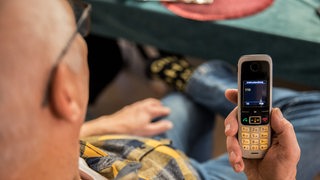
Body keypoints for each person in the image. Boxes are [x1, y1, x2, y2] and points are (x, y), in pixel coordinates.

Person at [0, 0, 317, 180]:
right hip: (174, 170)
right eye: (79, 25)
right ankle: (195, 77)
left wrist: (96, 126)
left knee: (184, 104)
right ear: (65, 91)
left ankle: (190, 80)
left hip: (126, 147)